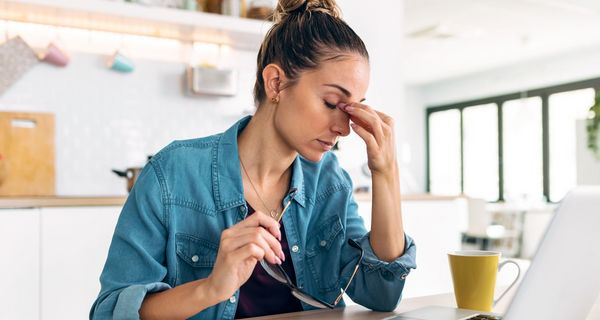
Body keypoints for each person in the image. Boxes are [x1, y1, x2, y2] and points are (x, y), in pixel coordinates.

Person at [90, 0, 416, 319]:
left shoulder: (330, 182)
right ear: (276, 83)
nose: (344, 129)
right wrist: (211, 287)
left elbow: (382, 294)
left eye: (353, 108)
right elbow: (110, 312)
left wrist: (386, 171)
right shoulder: (172, 175)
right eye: (332, 103)